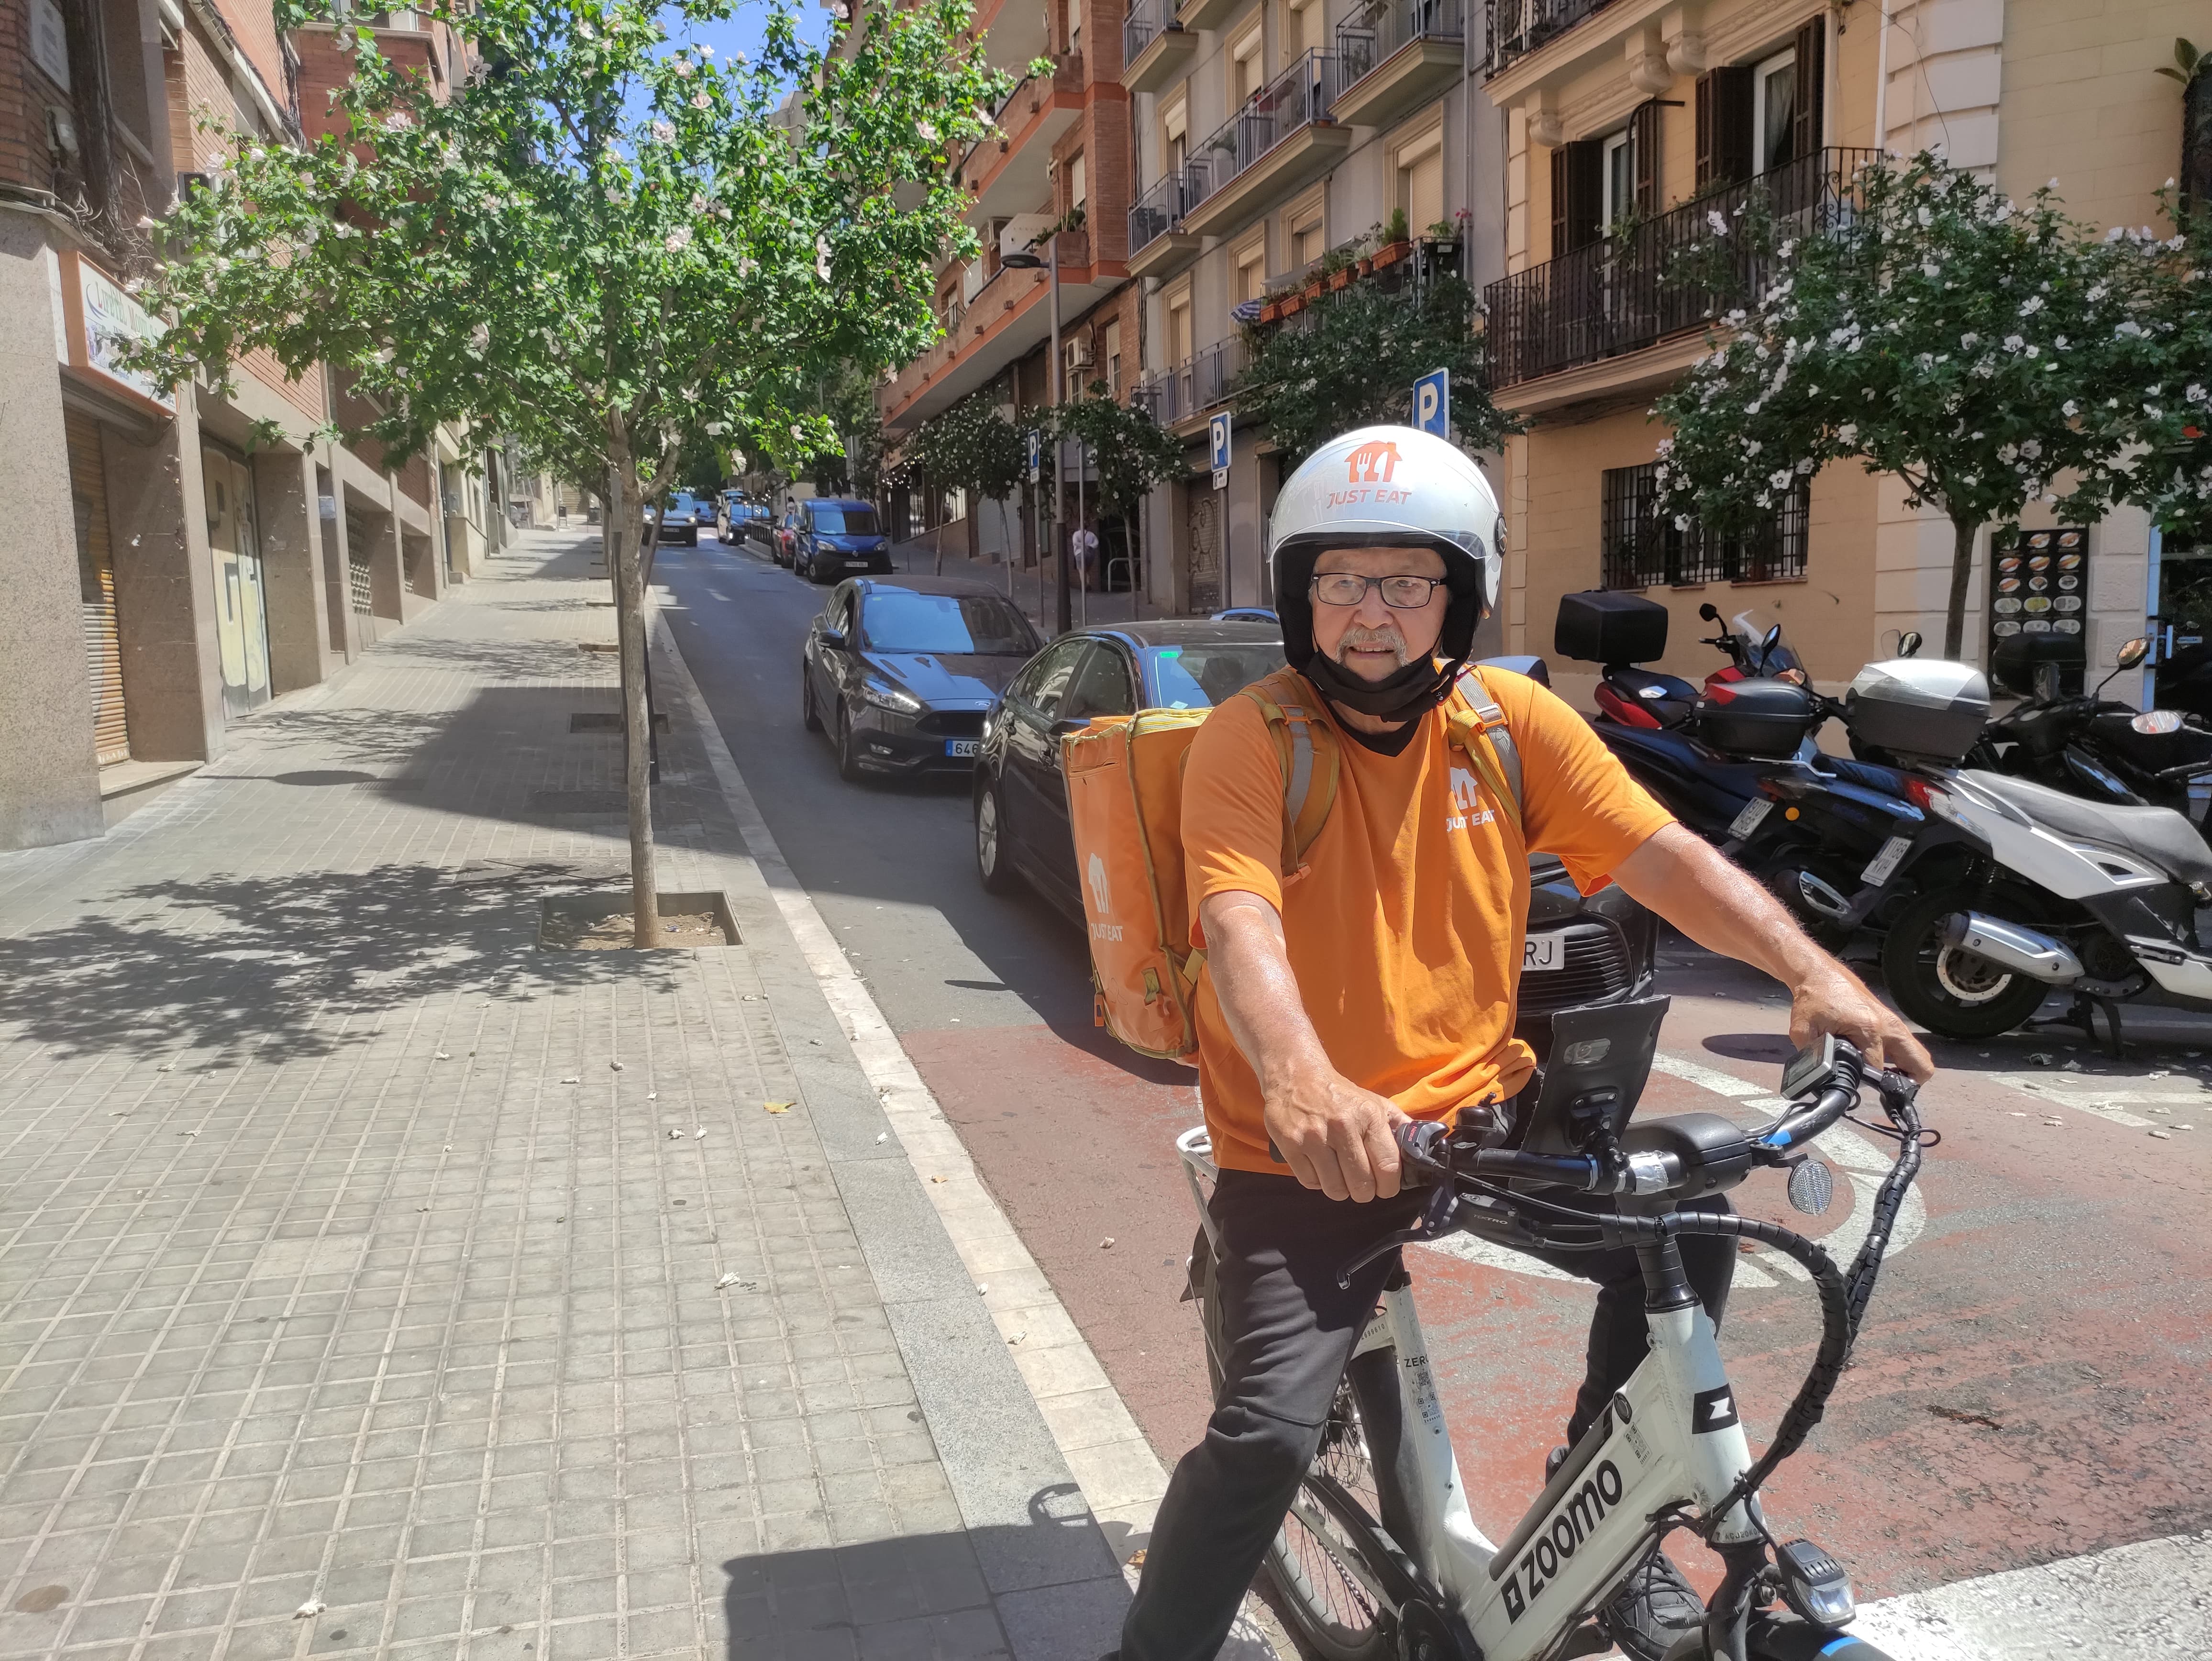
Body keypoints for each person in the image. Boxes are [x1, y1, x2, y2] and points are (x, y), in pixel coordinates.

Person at [1112, 426, 1932, 1661]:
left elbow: (1660, 857)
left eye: (1405, 582)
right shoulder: (1252, 738)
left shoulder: (1507, 721)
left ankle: (1611, 1513)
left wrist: (1816, 974)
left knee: (1684, 1231)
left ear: (1459, 595)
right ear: (1300, 596)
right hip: (1310, 1152)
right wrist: (1300, 1081)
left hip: (1485, 1121)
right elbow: (1238, 923)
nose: (1370, 615)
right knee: (1266, 1438)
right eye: (1340, 581)